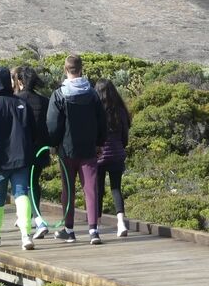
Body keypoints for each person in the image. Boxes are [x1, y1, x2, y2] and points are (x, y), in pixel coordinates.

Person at [46, 54, 108, 244]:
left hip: (66, 151)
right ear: (81, 69)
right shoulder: (92, 95)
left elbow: (52, 124)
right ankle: (93, 231)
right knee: (90, 189)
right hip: (89, 149)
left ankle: (69, 230)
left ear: (65, 69)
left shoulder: (59, 94)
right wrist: (99, 143)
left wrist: (53, 144)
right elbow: (102, 121)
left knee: (68, 190)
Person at [0, 66, 36, 250]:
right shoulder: (21, 104)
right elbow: (32, 131)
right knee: (21, 194)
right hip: (21, 158)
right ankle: (26, 235)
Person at [13, 65, 51, 239]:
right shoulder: (44, 101)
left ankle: (37, 220)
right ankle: (29, 216)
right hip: (40, 149)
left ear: (20, 81)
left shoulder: (16, 100)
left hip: (21, 150)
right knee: (34, 183)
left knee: (23, 186)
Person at [95, 78, 131, 238]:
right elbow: (125, 137)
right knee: (116, 189)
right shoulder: (120, 111)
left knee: (98, 190)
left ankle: (96, 225)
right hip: (117, 155)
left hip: (100, 156)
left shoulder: (96, 112)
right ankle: (121, 223)